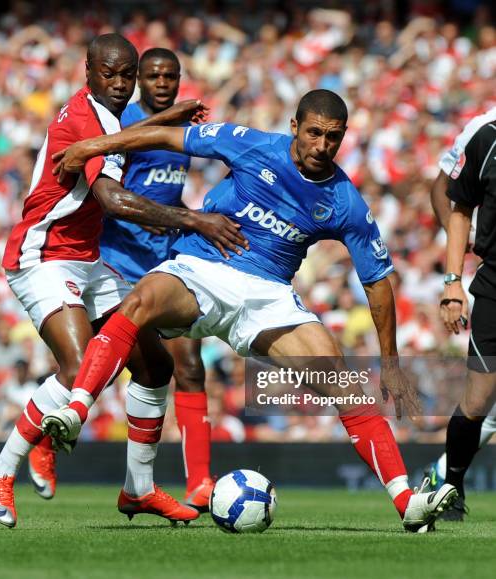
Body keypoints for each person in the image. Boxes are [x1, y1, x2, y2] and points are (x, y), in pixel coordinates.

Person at [44, 89, 458, 532]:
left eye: (332, 138)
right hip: (201, 268)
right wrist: (93, 146)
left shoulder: (345, 201)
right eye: (314, 133)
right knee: (140, 301)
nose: (321, 146)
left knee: (342, 380)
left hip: (268, 296)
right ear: (295, 127)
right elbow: (169, 137)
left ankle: (407, 501)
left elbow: (376, 283)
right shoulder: (252, 143)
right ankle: (76, 410)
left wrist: (391, 364)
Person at [0, 33, 247, 528]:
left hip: (87, 258)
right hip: (43, 256)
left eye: (127, 75)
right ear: (89, 72)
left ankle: (138, 490)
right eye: (112, 74)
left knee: (154, 366)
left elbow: (127, 136)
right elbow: (115, 202)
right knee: (82, 369)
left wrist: (168, 117)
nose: (121, 84)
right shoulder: (89, 118)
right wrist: (196, 221)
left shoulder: (108, 117)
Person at [99, 47, 214, 511]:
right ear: (140, 80)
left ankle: (200, 482)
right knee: (101, 368)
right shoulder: (125, 123)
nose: (164, 83)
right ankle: (45, 436)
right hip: (117, 263)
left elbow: (169, 188)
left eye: (171, 76)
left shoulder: (182, 130)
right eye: (154, 76)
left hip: (164, 264)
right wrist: (145, 212)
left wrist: (185, 217)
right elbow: (106, 174)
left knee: (189, 365)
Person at [427, 107, 496, 520]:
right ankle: (449, 483)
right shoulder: (485, 135)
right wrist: (453, 283)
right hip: (494, 282)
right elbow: (454, 202)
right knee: (479, 399)